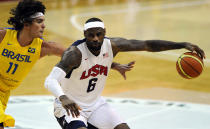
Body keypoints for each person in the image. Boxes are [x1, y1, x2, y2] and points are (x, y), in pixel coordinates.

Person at [44, 17, 205, 129]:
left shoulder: (113, 45)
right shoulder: (74, 53)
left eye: (99, 34)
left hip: (95, 105)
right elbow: (50, 81)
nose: (95, 38)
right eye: (90, 35)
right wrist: (63, 97)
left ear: (104, 32)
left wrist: (182, 44)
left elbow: (147, 45)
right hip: (69, 107)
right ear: (84, 35)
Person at [0, 1, 134, 128]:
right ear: (26, 23)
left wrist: (114, 65)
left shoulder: (44, 47)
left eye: (43, 22)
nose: (44, 26)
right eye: (39, 21)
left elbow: (83, 56)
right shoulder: (3, 36)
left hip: (4, 92)